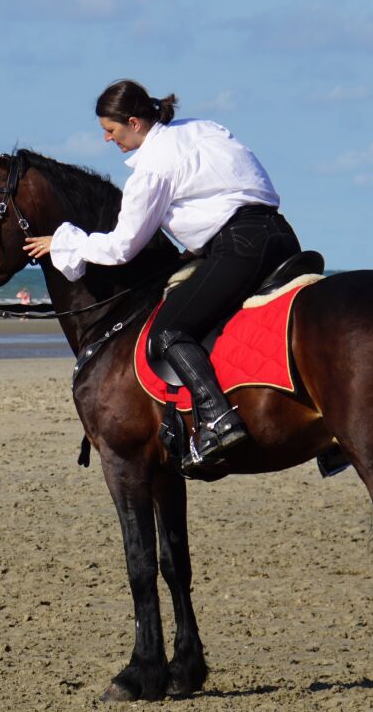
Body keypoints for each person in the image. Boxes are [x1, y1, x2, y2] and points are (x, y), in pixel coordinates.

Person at [22, 79, 299, 473]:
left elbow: (122, 248)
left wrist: (65, 242)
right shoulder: (201, 128)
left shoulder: (151, 168)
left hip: (239, 246)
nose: (106, 138)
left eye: (111, 130)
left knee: (169, 330)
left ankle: (218, 418)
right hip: (281, 236)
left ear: (134, 122)